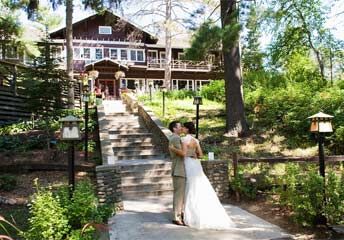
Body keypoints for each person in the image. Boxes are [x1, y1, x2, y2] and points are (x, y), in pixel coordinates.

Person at [171, 122, 236, 230]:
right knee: (199, 187)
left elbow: (183, 153)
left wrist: (173, 149)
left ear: (187, 129)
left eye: (183, 127)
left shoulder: (183, 140)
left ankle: (188, 214)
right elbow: (201, 155)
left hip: (187, 163)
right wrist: (194, 154)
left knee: (190, 188)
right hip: (196, 165)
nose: (182, 128)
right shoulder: (196, 141)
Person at [168, 121, 186, 226]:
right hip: (178, 169)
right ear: (174, 129)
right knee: (179, 195)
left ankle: (180, 213)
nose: (181, 128)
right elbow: (182, 153)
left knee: (180, 194)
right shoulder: (175, 138)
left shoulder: (175, 138)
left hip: (179, 168)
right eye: (180, 126)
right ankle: (176, 217)